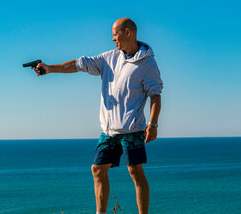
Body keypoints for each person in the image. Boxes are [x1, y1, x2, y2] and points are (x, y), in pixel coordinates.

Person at [33, 18, 163, 214]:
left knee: (135, 173)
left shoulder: (147, 63)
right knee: (97, 170)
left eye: (115, 34)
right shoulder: (109, 58)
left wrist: (152, 123)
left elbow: (155, 95)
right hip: (108, 130)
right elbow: (77, 64)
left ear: (128, 33)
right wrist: (50, 68)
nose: (112, 39)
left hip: (132, 129)